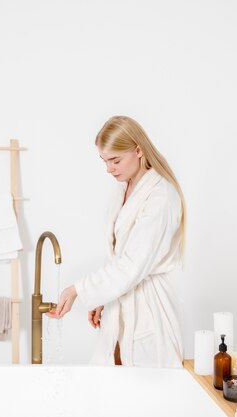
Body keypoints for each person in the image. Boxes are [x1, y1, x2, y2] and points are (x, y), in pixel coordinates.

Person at [46, 115, 186, 368]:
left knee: (148, 397)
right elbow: (122, 257)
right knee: (113, 393)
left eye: (115, 160)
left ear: (138, 150)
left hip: (149, 310)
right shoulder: (124, 188)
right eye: (105, 161)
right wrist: (104, 296)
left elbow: (133, 264)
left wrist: (80, 289)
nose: (109, 168)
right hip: (120, 304)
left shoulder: (161, 196)